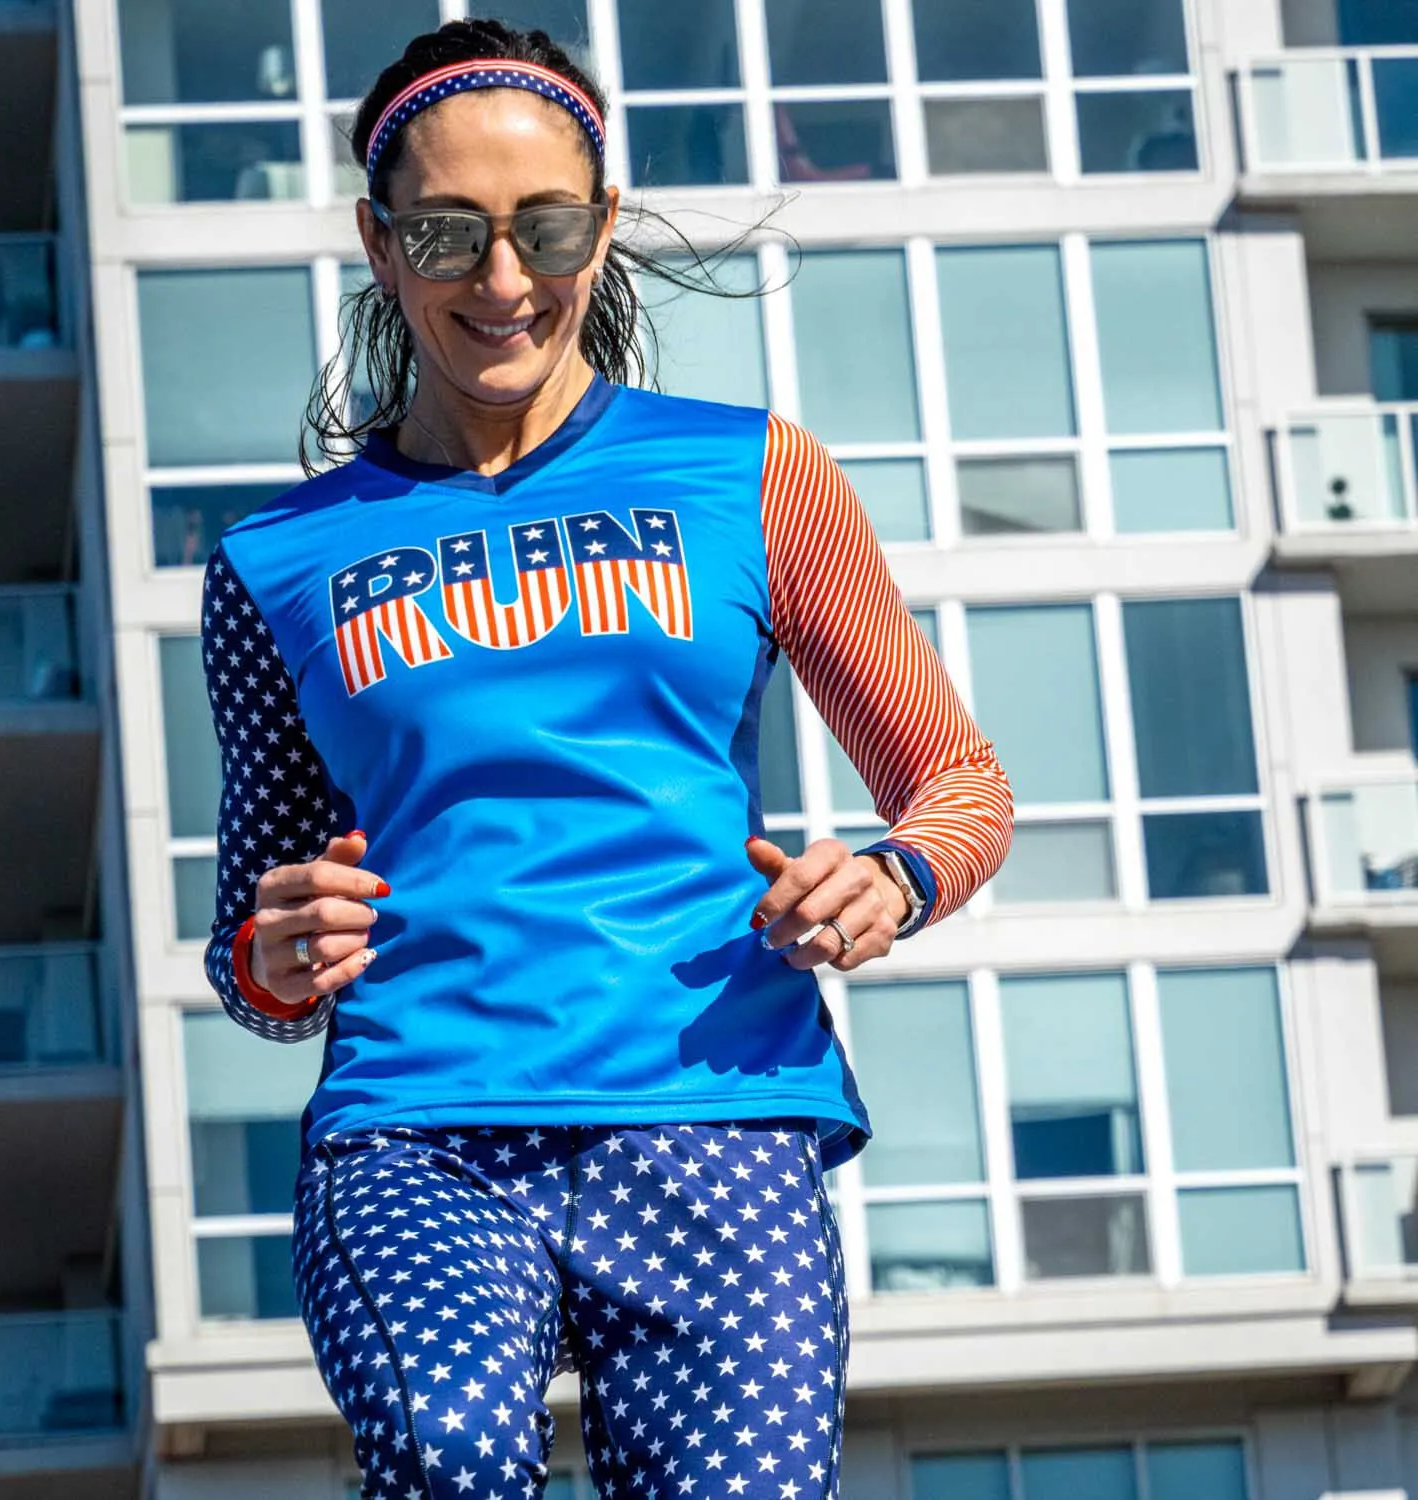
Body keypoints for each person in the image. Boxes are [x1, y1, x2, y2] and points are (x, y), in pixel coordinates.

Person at [199, 18, 1012, 1499]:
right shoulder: (273, 562)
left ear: (605, 225)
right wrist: (276, 955)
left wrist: (889, 883)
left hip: (718, 1112)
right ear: (379, 245)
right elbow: (252, 952)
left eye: (548, 228)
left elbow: (960, 786)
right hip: (418, 1131)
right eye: (447, 234)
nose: (503, 280)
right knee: (449, 1454)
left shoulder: (754, 473)